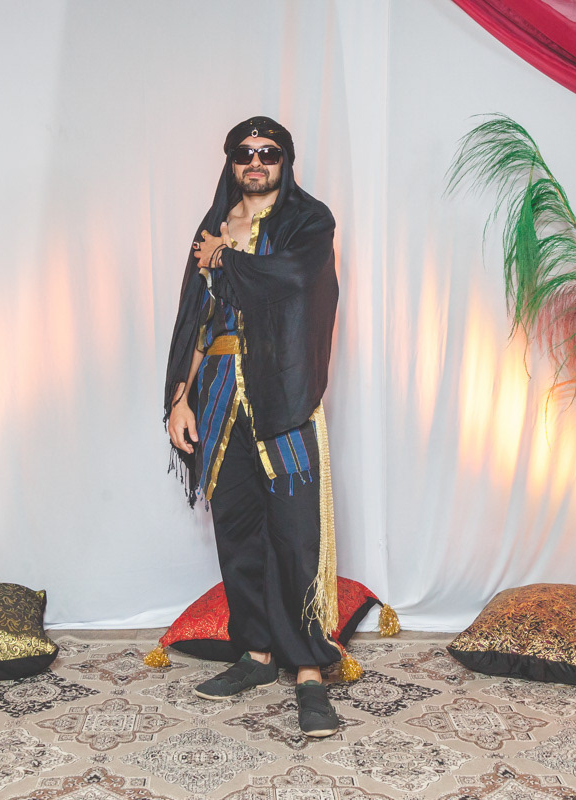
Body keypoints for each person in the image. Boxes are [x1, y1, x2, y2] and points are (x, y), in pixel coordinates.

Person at [163, 116, 342, 737]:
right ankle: (258, 654)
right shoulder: (212, 227)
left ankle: (309, 671)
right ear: (231, 161)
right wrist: (180, 399)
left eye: (268, 152)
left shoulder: (307, 221)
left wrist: (226, 260)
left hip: (282, 393)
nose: (256, 162)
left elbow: (292, 280)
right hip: (216, 394)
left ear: (284, 160)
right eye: (245, 153)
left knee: (294, 533)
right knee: (237, 529)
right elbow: (197, 318)